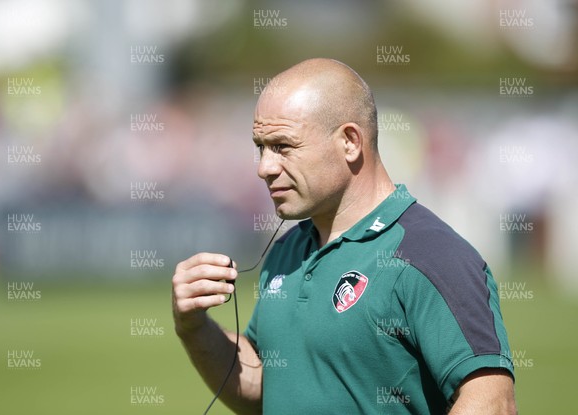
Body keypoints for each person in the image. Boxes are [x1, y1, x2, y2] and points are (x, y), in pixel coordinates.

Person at [172, 58, 516, 414]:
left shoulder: (430, 255)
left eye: (283, 147)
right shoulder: (287, 251)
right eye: (261, 147)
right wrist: (193, 325)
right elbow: (264, 386)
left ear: (350, 142)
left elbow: (492, 402)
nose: (264, 168)